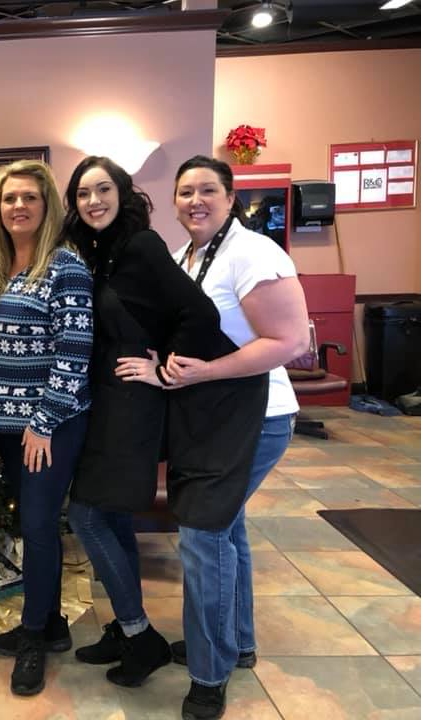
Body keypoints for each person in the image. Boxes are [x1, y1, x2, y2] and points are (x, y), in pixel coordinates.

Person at [128, 155, 308, 720]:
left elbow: (291, 341)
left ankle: (209, 673)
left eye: (208, 190)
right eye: (186, 192)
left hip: (258, 417)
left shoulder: (253, 253)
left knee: (203, 534)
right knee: (227, 529)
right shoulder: (187, 255)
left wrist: (205, 372)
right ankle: (237, 643)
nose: (195, 201)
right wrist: (161, 368)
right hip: (210, 417)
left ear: (231, 198)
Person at [63, 156, 241, 688]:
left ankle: (141, 636)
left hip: (132, 405)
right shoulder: (98, 252)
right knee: (112, 517)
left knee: (87, 516)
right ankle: (126, 627)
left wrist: (165, 369)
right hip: (105, 401)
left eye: (103, 189)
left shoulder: (141, 246)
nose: (93, 201)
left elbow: (199, 314)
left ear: (122, 192)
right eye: (82, 193)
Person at [0, 159, 93, 696]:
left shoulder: (65, 267)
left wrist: (44, 422)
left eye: (30, 198)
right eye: (9, 198)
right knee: (32, 525)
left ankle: (35, 637)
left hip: (49, 425)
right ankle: (55, 622)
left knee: (39, 527)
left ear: (48, 207)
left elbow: (75, 350)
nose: (18, 206)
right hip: (5, 425)